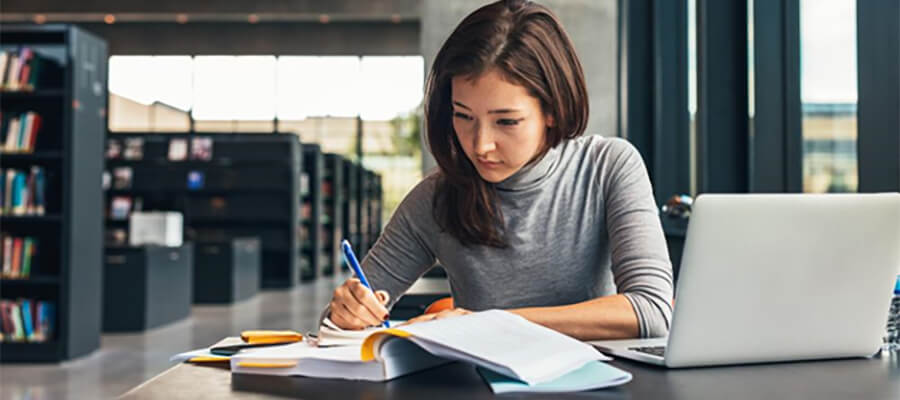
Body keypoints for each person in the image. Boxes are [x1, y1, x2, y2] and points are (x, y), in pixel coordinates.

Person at [327, 0, 673, 340]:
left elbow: (652, 310)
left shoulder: (607, 167)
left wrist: (488, 323)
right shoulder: (434, 198)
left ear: (552, 110)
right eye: (463, 116)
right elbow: (335, 328)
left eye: (506, 121)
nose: (480, 145)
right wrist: (345, 314)